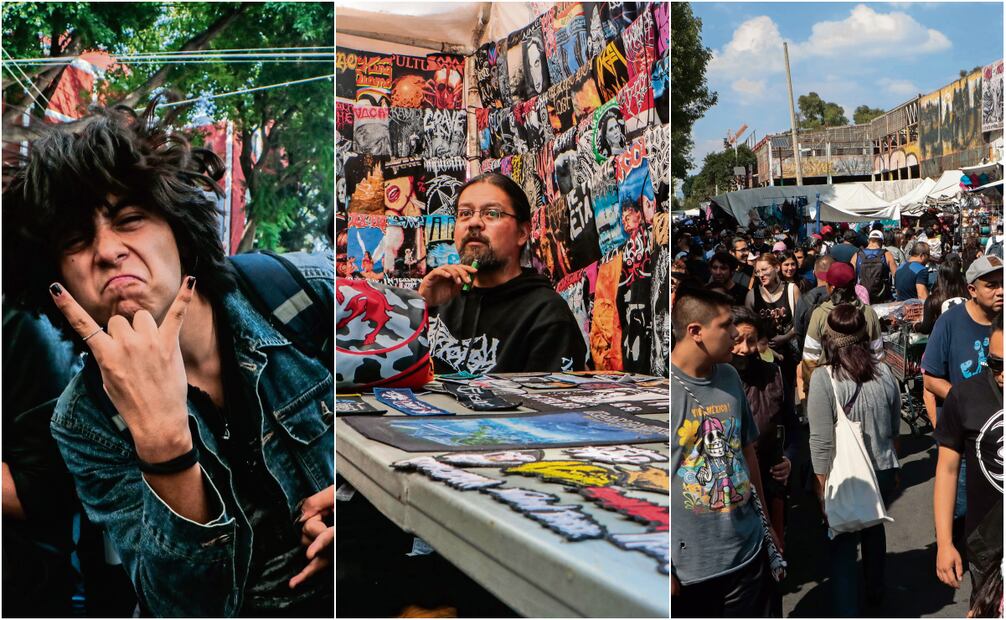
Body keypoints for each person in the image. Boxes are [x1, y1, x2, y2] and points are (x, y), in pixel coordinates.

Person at [2, 102, 334, 616]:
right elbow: (181, 606)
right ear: (56, 281)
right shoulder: (84, 419)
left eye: (129, 219)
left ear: (179, 228)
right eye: (76, 240)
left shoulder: (306, 298)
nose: (108, 250)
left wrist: (356, 505)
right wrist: (163, 446)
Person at [671, 287, 777, 617]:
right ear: (696, 332)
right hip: (691, 571)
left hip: (747, 554)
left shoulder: (729, 376)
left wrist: (767, 524)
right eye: (726, 325)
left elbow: (747, 452)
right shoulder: (667, 391)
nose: (735, 334)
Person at [420, 172, 586, 374]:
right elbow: (386, 378)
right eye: (465, 213)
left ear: (522, 233)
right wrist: (417, 308)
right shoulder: (440, 295)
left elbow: (550, 401)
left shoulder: (546, 314)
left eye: (491, 213)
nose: (474, 223)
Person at [807, 303, 901, 615]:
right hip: (883, 468)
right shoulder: (885, 371)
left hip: (845, 475)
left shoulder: (823, 378)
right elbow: (894, 423)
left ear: (828, 339)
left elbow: (820, 441)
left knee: (843, 548)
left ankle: (848, 610)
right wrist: (894, 462)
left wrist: (820, 488)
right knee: (874, 527)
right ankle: (876, 591)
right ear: (864, 334)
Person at [933, 314, 1003, 605]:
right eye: (996, 364)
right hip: (987, 545)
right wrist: (945, 543)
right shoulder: (965, 396)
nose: (1002, 375)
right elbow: (947, 471)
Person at [731, 307, 797, 553]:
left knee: (775, 556)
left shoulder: (774, 375)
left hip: (770, 484)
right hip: (731, 493)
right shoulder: (714, 381)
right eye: (737, 341)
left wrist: (789, 459)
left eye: (751, 341)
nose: (744, 349)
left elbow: (792, 425)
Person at [802, 262, 885, 380]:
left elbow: (810, 357)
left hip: (829, 384)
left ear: (832, 287)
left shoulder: (819, 314)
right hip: (863, 381)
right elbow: (877, 355)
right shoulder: (869, 313)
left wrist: (810, 388)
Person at [746, 254, 802, 426]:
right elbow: (748, 327)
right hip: (764, 353)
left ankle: (789, 429)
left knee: (787, 390)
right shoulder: (752, 295)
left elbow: (799, 322)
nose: (761, 274)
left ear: (776, 268)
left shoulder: (791, 289)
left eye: (765, 269)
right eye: (757, 272)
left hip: (788, 351)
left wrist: (785, 337)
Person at [851, 230, 897, 303]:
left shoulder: (857, 255)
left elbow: (851, 276)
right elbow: (896, 275)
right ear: (882, 242)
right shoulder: (887, 254)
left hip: (862, 297)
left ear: (868, 240)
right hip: (883, 297)